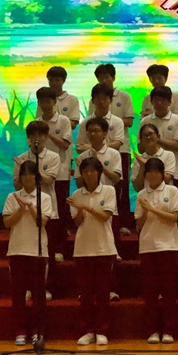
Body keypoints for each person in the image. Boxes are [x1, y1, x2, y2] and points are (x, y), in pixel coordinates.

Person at [68, 157, 118, 347]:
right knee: (86, 294)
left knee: (103, 293)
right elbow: (77, 222)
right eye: (85, 171)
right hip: (83, 249)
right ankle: (87, 330)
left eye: (92, 171)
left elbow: (105, 216)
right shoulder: (76, 194)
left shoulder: (109, 191)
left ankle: (102, 331)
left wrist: (87, 207)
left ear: (99, 173)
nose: (88, 174)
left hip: (104, 248)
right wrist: (80, 212)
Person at [3, 160, 52, 347]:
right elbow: (7, 222)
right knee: (18, 295)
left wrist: (30, 206)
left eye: (30, 174)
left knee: (39, 296)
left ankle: (39, 332)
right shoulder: (12, 197)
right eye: (24, 175)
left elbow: (42, 222)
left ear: (36, 177)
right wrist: (20, 209)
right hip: (17, 250)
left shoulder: (44, 197)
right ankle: (20, 332)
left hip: (37, 252)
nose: (27, 178)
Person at [135, 158, 178, 344]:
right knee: (151, 293)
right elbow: (139, 224)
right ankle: (153, 330)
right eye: (149, 172)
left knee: (169, 291)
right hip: (148, 247)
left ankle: (169, 330)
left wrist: (153, 210)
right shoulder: (141, 194)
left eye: (156, 172)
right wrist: (146, 213)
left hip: (169, 246)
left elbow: (174, 218)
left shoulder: (172, 191)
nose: (153, 175)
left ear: (163, 174)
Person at [14, 120, 62, 300]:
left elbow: (49, 180)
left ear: (45, 137)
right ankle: (28, 287)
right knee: (27, 253)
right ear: (28, 138)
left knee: (47, 252)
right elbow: (16, 185)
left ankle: (47, 287)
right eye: (33, 134)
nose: (37, 138)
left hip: (49, 210)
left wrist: (30, 170)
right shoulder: (21, 158)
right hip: (25, 211)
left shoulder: (53, 157)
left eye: (40, 135)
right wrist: (21, 170)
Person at [89, 64, 136, 233]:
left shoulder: (124, 96)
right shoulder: (93, 100)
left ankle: (122, 222)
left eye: (106, 76)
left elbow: (129, 121)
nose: (103, 80)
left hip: (120, 151)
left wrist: (111, 121)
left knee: (120, 187)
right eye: (100, 77)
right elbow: (91, 122)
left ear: (113, 77)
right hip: (96, 152)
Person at [35, 87, 74, 264]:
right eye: (41, 101)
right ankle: (43, 247)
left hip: (61, 173)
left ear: (54, 102)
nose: (45, 104)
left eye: (48, 101)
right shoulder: (36, 123)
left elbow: (64, 145)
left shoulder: (63, 120)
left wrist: (46, 133)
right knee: (42, 211)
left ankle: (60, 248)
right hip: (41, 174)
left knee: (60, 213)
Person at [140, 86, 178, 190]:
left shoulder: (177, 120)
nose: (159, 103)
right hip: (149, 172)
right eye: (156, 100)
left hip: (172, 171)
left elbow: (177, 146)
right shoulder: (145, 121)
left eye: (163, 100)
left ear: (169, 102)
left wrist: (157, 140)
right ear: (151, 102)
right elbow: (140, 148)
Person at [74, 117, 124, 191]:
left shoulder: (114, 154)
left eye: (96, 131)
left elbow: (116, 179)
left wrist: (98, 165)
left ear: (105, 133)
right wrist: (85, 171)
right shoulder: (82, 156)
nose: (92, 134)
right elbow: (78, 185)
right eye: (90, 131)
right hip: (87, 195)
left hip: (107, 194)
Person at [76, 84, 127, 155]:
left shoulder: (117, 121)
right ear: (93, 101)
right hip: (90, 160)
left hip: (111, 159)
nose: (101, 102)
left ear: (111, 100)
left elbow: (117, 144)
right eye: (98, 99)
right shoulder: (85, 122)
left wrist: (91, 147)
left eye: (105, 99)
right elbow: (79, 146)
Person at [132, 123, 178, 192]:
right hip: (145, 196)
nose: (148, 137)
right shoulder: (138, 160)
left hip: (165, 195)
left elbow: (167, 179)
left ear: (158, 137)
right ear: (141, 140)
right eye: (145, 135)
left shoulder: (168, 155)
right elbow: (137, 188)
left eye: (151, 134)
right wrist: (142, 167)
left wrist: (147, 164)